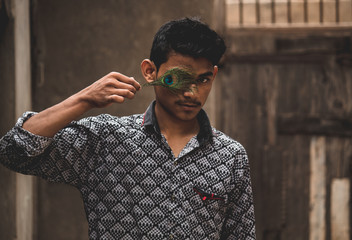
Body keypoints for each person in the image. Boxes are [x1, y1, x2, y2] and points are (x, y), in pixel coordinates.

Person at [0, 17, 256, 239]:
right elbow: (13, 151)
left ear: (213, 74)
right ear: (150, 71)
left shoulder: (230, 157)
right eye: (178, 78)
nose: (192, 92)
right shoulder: (105, 140)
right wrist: (84, 99)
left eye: (203, 79)